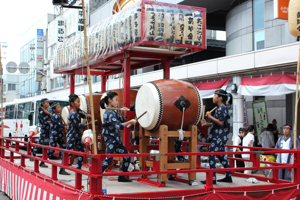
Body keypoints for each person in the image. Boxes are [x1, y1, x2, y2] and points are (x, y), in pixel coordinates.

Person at [100, 91, 136, 182]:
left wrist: (123, 112)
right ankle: (96, 173)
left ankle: (122, 176)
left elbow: (122, 119)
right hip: (111, 140)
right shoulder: (108, 113)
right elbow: (119, 125)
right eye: (115, 100)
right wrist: (130, 122)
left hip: (117, 140)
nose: (117, 102)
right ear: (109, 100)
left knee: (126, 156)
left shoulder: (114, 112)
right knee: (109, 159)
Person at [200, 89, 233, 184]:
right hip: (221, 137)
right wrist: (207, 123)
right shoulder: (222, 109)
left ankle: (212, 178)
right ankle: (228, 176)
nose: (213, 97)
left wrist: (209, 116)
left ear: (220, 98)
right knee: (221, 156)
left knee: (212, 156)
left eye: (215, 95)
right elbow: (218, 124)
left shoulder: (222, 109)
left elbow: (220, 122)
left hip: (217, 137)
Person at [66, 94, 92, 169]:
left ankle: (78, 167)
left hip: (77, 135)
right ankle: (62, 168)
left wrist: (88, 116)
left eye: (79, 102)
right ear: (72, 104)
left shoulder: (78, 111)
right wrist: (88, 124)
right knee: (69, 153)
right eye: (77, 102)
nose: (79, 103)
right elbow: (78, 125)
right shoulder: (72, 114)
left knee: (81, 151)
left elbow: (84, 114)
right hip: (71, 136)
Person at [48, 102, 70, 175]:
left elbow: (60, 124)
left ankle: (63, 163)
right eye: (58, 107)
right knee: (51, 150)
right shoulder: (55, 116)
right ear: (54, 110)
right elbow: (59, 125)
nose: (60, 108)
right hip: (55, 135)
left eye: (60, 107)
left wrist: (64, 125)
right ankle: (42, 161)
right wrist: (65, 126)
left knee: (64, 148)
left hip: (58, 135)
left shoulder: (58, 115)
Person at [32, 98, 51, 168]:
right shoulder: (41, 112)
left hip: (49, 130)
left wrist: (49, 114)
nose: (48, 104)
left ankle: (43, 161)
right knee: (41, 144)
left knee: (47, 146)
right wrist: (48, 122)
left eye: (48, 103)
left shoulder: (48, 111)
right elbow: (43, 122)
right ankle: (33, 153)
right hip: (44, 130)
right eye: (47, 103)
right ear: (43, 104)